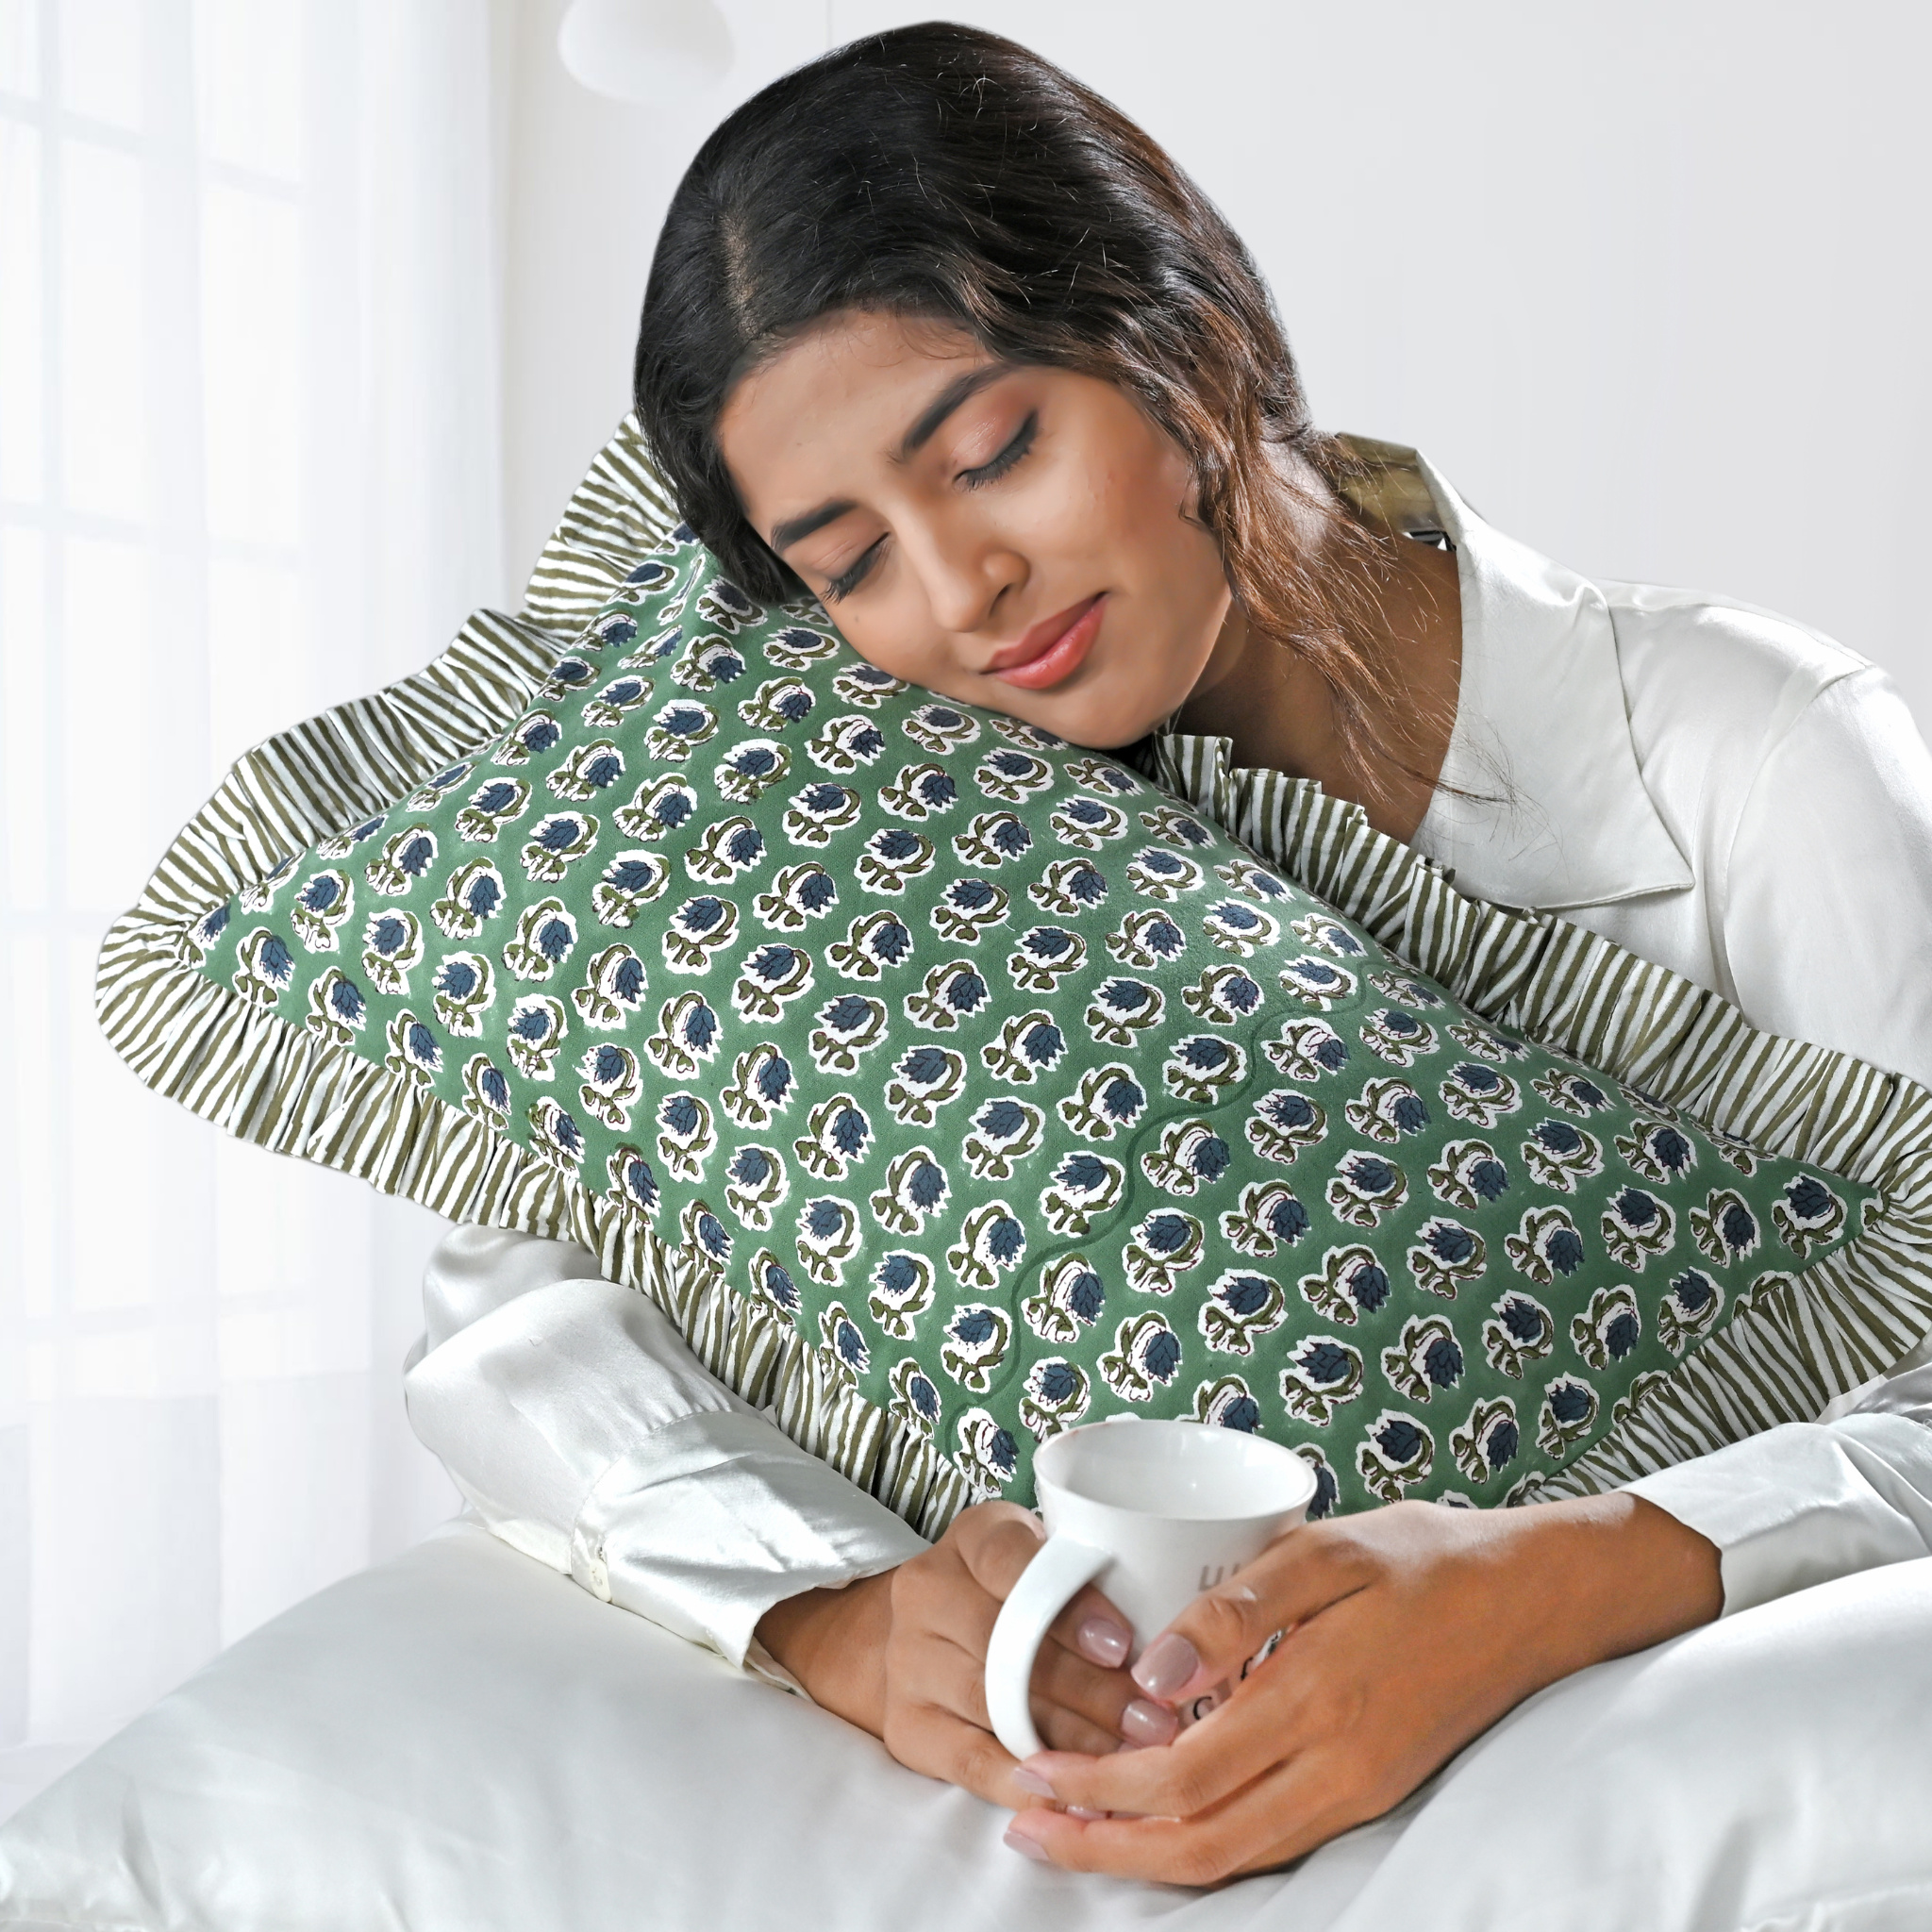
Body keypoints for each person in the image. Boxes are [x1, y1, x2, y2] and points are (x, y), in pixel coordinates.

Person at [404, 23, 1932, 1887]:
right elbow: (511, 1306)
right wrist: (831, 1611)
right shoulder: (887, 811)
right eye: (846, 562)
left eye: (992, 453)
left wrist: (1567, 1569)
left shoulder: (1752, 761)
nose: (958, 591)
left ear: (1186, 342)